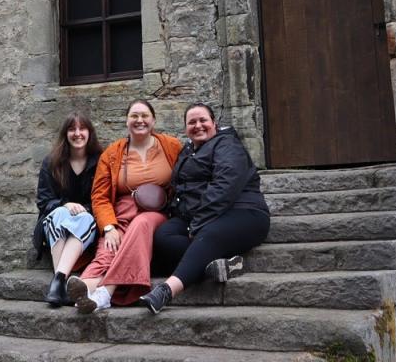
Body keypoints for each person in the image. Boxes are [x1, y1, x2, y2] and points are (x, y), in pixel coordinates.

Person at [140, 102, 271, 314]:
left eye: (203, 120)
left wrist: (197, 224)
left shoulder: (227, 145)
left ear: (214, 124)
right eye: (192, 122)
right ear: (185, 129)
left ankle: (165, 291)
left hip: (244, 212)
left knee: (208, 234)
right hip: (201, 217)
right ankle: (220, 264)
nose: (198, 125)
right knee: (164, 235)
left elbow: (224, 186)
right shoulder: (188, 151)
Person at [66, 99, 183, 313]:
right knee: (107, 251)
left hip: (155, 212)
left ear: (154, 120)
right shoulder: (112, 153)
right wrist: (109, 227)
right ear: (127, 121)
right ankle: (85, 292)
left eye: (144, 116)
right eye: (134, 116)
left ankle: (105, 293)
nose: (139, 120)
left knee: (141, 224)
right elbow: (99, 196)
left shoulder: (172, 146)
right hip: (120, 214)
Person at [33, 111, 103, 306]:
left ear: (90, 133)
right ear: (65, 134)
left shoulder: (101, 161)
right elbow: (44, 201)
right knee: (60, 213)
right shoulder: (51, 162)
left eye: (82, 129)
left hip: (87, 227)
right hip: (54, 227)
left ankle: (58, 282)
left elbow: (103, 198)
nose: (77, 133)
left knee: (84, 218)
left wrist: (82, 208)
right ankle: (62, 280)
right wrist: (65, 204)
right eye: (72, 129)